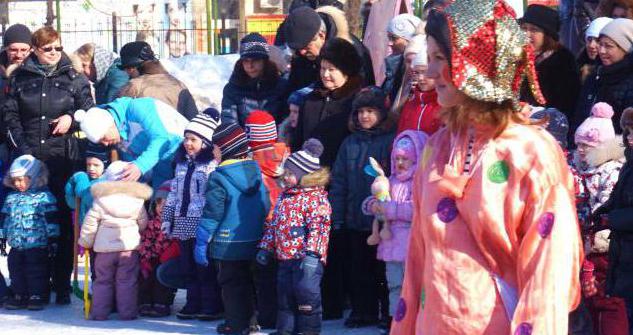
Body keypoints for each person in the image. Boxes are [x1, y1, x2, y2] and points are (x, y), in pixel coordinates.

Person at [391, 1, 583, 333]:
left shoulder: (529, 152)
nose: (431, 71)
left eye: (440, 59)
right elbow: (417, 262)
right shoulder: (435, 148)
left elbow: (548, 276)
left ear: (476, 64)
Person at [4, 26, 94, 305]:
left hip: (62, 159)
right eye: (47, 49)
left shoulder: (74, 78)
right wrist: (25, 153)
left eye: (58, 47)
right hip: (30, 159)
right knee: (32, 222)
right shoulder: (19, 78)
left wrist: (73, 117)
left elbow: (91, 114)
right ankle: (34, 284)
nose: (54, 53)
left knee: (62, 223)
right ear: (35, 50)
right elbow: (10, 117)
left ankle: (62, 282)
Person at [194, 122, 270, 335]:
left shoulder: (218, 178)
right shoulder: (255, 173)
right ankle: (252, 321)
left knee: (231, 284)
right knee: (249, 281)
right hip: (255, 238)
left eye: (215, 147)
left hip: (228, 243)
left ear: (226, 149)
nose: (213, 152)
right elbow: (265, 203)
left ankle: (235, 325)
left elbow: (212, 213)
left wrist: (202, 240)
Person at [330, 86, 396, 329]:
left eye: (370, 111)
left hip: (383, 220)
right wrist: (337, 216)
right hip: (355, 219)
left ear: (382, 114)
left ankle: (387, 313)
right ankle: (362, 311)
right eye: (360, 111)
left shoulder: (390, 140)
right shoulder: (349, 143)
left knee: (383, 271)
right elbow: (339, 181)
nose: (364, 116)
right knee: (359, 269)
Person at [257, 138, 332, 335]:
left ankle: (308, 331)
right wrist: (266, 247)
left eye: (290, 174)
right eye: (286, 173)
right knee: (285, 297)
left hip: (306, 260)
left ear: (304, 176)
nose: (286, 177)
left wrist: (313, 255)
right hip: (285, 258)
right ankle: (286, 330)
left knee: (306, 296)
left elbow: (320, 229)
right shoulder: (285, 196)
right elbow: (274, 225)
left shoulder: (316, 199)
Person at [361, 130, 428, 334]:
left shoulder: (420, 182)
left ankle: (417, 322)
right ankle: (395, 320)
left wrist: (391, 210)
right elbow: (375, 197)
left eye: (405, 159)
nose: (400, 163)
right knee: (394, 285)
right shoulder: (390, 180)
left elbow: (419, 209)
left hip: (412, 243)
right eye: (397, 158)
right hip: (391, 244)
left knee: (414, 286)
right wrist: (371, 205)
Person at [571, 102, 629, 335]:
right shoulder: (577, 169)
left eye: (588, 145)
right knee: (590, 301)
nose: (582, 150)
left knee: (607, 302)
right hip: (583, 241)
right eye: (579, 145)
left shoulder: (612, 171)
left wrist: (593, 235)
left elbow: (605, 205)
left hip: (602, 245)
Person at [161, 109, 224, 321]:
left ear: (205, 142)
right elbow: (173, 195)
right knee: (187, 265)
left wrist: (212, 224)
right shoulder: (180, 165)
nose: (188, 143)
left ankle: (210, 304)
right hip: (182, 222)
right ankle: (192, 302)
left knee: (203, 265)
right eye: (186, 138)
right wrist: (168, 218)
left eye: (193, 139)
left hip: (201, 223)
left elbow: (213, 197)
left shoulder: (210, 166)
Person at [78, 161, 152, 320]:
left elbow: (90, 224)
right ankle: (127, 313)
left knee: (103, 281)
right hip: (128, 249)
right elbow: (143, 223)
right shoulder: (137, 200)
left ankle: (99, 313)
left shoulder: (100, 200)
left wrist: (85, 242)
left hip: (104, 251)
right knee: (127, 281)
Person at [73, 96, 188, 189]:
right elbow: (136, 168)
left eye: (103, 138)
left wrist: (140, 166)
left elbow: (162, 138)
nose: (106, 143)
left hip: (187, 151)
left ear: (109, 124)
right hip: (164, 169)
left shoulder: (137, 107)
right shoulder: (119, 138)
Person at [244, 110, 290, 329]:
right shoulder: (286, 155)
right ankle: (284, 317)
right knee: (282, 274)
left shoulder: (250, 162)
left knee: (262, 274)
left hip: (261, 224)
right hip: (285, 223)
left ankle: (266, 316)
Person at [294, 37, 364, 168]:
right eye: (322, 68)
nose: (325, 74)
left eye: (331, 70)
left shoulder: (355, 102)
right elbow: (298, 139)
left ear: (346, 72)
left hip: (340, 175)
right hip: (309, 174)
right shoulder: (311, 99)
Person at [0, 155, 58, 310]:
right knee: (15, 269)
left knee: (35, 270)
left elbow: (51, 219)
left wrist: (53, 239)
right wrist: (1, 237)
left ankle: (36, 295)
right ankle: (20, 295)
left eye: (21, 179)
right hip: (17, 244)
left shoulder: (43, 197)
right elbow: (5, 219)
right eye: (15, 180)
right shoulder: (11, 198)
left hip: (37, 244)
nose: (18, 184)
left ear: (33, 177)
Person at [283, 5, 375, 94]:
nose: (302, 52)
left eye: (307, 47)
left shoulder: (351, 51)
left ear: (321, 35)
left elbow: (364, 97)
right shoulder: (300, 55)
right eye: (298, 49)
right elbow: (292, 89)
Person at [600, 107, 633, 334]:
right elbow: (616, 199)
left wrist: (610, 219)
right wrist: (596, 215)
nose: (630, 139)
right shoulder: (629, 166)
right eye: (628, 132)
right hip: (623, 251)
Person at [519, 4, 581, 122]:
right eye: (524, 28)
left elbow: (567, 104)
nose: (526, 34)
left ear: (547, 35)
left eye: (534, 30)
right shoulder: (518, 57)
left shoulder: (562, 61)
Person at [575, 18, 633, 134]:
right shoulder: (595, 75)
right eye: (600, 44)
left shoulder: (629, 81)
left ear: (625, 49)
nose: (601, 50)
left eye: (608, 46)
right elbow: (579, 115)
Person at [117, 41, 197, 120]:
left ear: (132, 68)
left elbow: (116, 118)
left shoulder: (134, 86)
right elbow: (194, 119)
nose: (127, 73)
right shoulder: (179, 85)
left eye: (127, 69)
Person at [221, 33, 288, 125]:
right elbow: (229, 122)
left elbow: (286, 119)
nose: (250, 66)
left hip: (276, 138)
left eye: (255, 60)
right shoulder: (232, 89)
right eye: (246, 61)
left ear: (265, 61)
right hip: (244, 138)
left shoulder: (281, 86)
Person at [138, 181, 179, 318]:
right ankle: (145, 302)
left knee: (160, 276)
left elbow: (176, 244)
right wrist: (145, 258)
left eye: (167, 205)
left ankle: (162, 303)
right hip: (152, 257)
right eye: (159, 203)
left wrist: (167, 256)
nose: (162, 208)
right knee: (145, 275)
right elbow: (146, 241)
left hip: (167, 260)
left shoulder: (176, 225)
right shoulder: (152, 223)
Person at [396, 44, 442, 135]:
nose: (420, 78)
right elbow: (400, 134)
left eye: (425, 72)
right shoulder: (410, 103)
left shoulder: (443, 106)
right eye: (417, 73)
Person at [64, 143, 110, 226]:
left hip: (98, 227)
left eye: (96, 165)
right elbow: (73, 204)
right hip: (83, 225)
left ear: (105, 166)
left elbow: (86, 197)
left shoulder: (105, 183)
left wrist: (80, 178)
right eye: (88, 164)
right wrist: (71, 184)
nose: (91, 168)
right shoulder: (86, 179)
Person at [382, 14, 422, 104]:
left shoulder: (418, 73)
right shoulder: (396, 66)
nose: (390, 43)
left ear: (409, 40)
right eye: (389, 38)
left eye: (394, 38)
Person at [578, 17, 613, 83]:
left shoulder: (620, 74)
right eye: (589, 39)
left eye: (597, 40)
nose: (591, 45)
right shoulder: (578, 67)